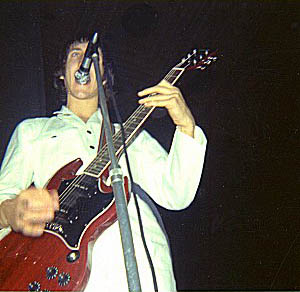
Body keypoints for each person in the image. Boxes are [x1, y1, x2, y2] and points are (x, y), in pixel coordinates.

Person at [0, 35, 207, 291]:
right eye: (76, 54)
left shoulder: (132, 134)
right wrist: (11, 211)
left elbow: (176, 193)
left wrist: (186, 126)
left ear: (105, 78)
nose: (84, 59)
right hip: (62, 272)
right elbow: (3, 198)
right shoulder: (32, 131)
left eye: (93, 57)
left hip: (141, 268)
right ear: (63, 74)